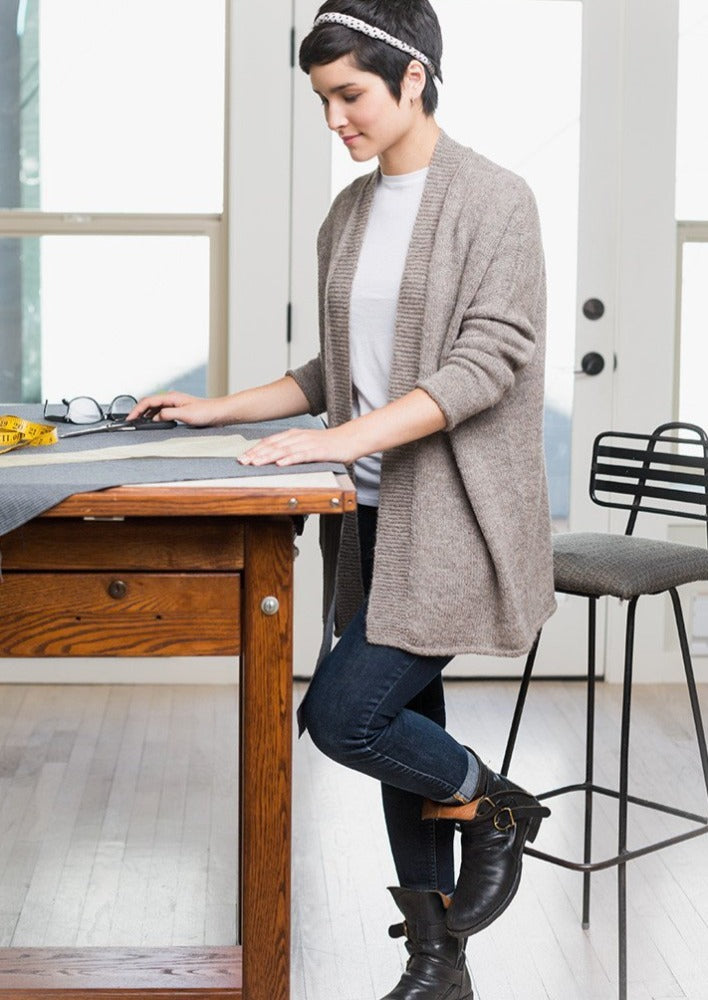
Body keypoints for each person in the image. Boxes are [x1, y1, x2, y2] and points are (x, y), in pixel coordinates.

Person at [129, 2, 556, 996]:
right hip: (362, 523)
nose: (336, 121)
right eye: (322, 100)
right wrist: (216, 410)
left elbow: (481, 364)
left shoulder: (497, 201)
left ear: (414, 77)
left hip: (449, 521)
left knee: (344, 717)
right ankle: (436, 962)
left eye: (350, 95)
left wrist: (334, 442)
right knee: (407, 724)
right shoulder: (350, 215)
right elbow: (339, 369)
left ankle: (495, 806)